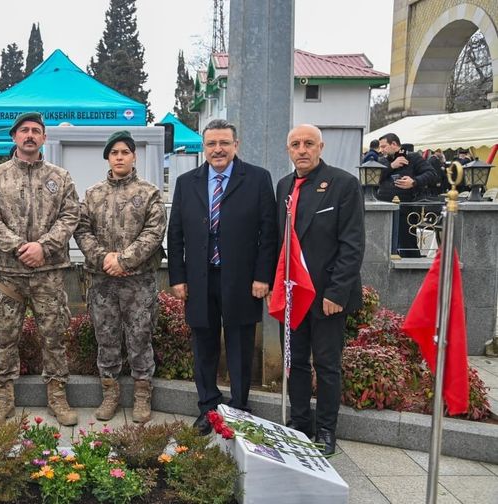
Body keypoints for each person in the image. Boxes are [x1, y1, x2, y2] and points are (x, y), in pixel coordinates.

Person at [167, 119, 277, 435]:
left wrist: (262, 276)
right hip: (199, 280)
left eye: (224, 143)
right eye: (212, 144)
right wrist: (178, 276)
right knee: (204, 345)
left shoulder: (257, 179)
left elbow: (268, 233)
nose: (218, 149)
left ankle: (240, 407)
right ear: (204, 147)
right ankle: (208, 408)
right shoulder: (187, 182)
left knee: (241, 345)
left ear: (236, 145)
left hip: (243, 280)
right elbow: (175, 233)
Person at [0, 112, 80, 426]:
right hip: (10, 273)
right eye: (24, 130)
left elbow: (70, 216)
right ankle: (4, 396)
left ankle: (57, 396)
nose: (30, 135)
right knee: (5, 337)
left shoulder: (60, 177)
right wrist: (19, 247)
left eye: (36, 131)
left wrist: (43, 247)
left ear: (44, 138)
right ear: (14, 137)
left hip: (48, 271)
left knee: (54, 336)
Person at [276, 124, 365, 456]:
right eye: (295, 144)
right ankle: (300, 423)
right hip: (292, 294)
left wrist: (336, 293)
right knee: (295, 361)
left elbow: (352, 244)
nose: (302, 149)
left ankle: (326, 430)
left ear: (321, 147)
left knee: (327, 365)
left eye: (308, 143)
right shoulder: (284, 186)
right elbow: (281, 242)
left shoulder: (343, 184)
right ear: (288, 149)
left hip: (326, 296)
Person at [74, 131, 167, 424]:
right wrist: (103, 259)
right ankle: (110, 393)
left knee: (140, 336)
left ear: (134, 156)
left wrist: (123, 260)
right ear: (108, 158)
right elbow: (81, 229)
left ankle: (142, 394)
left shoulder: (149, 192)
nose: (119, 157)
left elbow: (154, 232)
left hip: (138, 280)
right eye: (114, 153)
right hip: (102, 280)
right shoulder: (93, 194)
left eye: (125, 152)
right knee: (106, 336)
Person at [376, 133, 437, 257]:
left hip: (406, 209)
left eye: (384, 146)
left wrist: (414, 182)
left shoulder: (413, 158)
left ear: (394, 144)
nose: (381, 150)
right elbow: (374, 177)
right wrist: (391, 166)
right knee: (384, 246)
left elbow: (431, 174)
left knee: (406, 244)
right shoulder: (382, 161)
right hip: (384, 208)